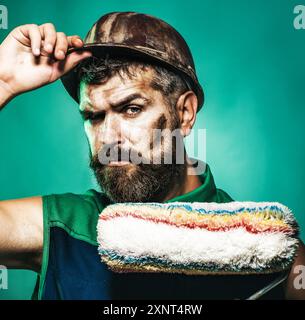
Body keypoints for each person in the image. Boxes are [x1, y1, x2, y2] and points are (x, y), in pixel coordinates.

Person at [0, 12, 304, 300]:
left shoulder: (266, 246)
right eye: (94, 116)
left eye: (131, 109)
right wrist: (3, 82)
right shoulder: (64, 227)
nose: (108, 137)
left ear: (184, 113)